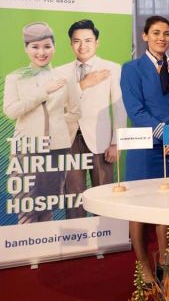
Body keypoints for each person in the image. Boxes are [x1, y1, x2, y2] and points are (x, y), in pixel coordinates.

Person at [121, 15, 169, 284]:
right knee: (140, 209)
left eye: (166, 33)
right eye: (156, 33)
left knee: (168, 209)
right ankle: (144, 269)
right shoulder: (132, 69)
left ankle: (166, 266)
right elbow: (136, 109)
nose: (161, 38)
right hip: (145, 148)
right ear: (145, 36)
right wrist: (167, 135)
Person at [3, 22, 80, 223]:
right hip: (26, 148)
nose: (41, 52)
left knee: (48, 204)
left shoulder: (65, 76)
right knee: (25, 206)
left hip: (57, 149)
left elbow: (75, 111)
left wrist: (62, 136)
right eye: (35, 47)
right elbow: (11, 111)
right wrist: (42, 92)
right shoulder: (15, 77)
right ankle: (27, 242)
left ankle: (46, 241)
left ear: (54, 47)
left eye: (47, 46)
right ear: (26, 48)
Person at [55, 19, 126, 216]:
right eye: (77, 41)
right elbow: (55, 106)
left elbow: (119, 108)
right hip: (68, 140)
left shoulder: (112, 68)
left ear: (97, 42)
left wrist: (116, 142)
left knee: (103, 194)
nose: (82, 46)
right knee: (73, 195)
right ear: (71, 44)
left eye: (88, 40)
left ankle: (105, 233)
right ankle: (75, 234)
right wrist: (83, 84)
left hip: (101, 141)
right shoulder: (59, 72)